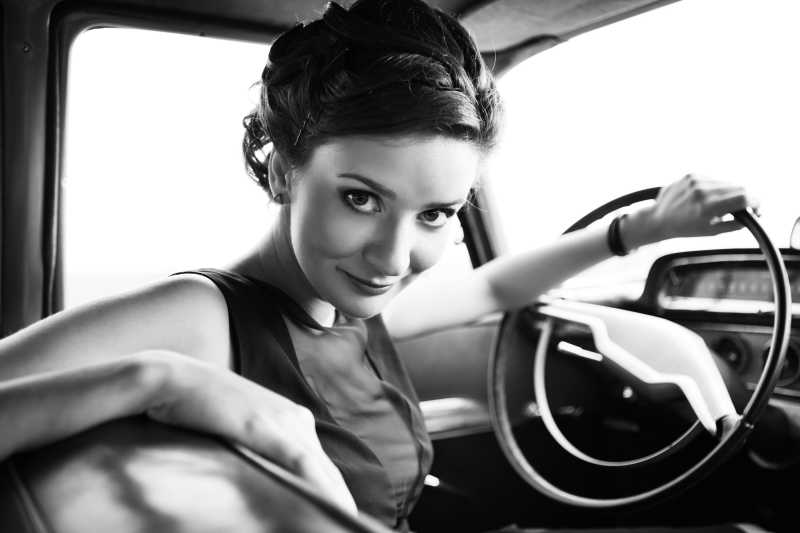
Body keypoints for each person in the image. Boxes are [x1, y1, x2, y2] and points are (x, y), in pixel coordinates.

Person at [0, 0, 756, 531]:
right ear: (284, 172)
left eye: (435, 214)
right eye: (361, 198)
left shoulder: (348, 305)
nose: (394, 258)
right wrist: (160, 379)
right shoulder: (203, 315)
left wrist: (638, 230)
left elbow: (494, 285)